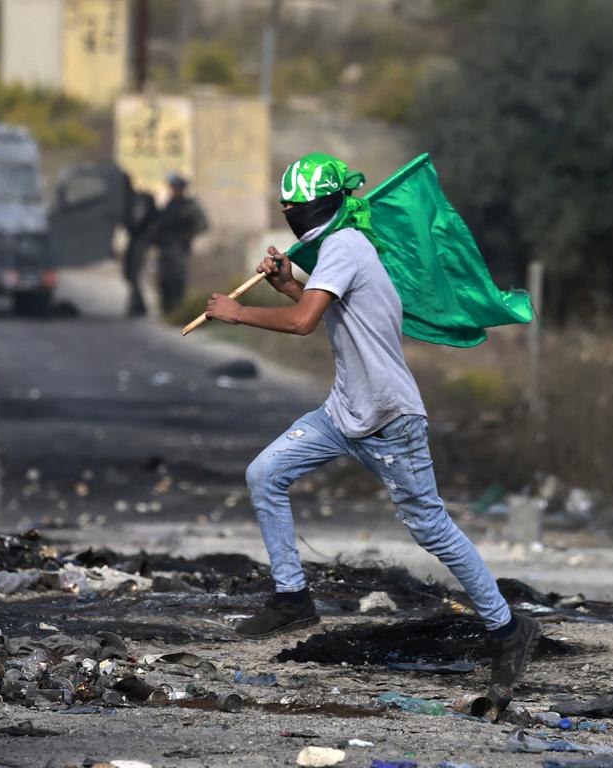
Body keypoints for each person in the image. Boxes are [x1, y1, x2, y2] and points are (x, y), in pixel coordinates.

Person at [204, 152, 540, 696]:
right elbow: (323, 310)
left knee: (431, 527)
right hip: (343, 412)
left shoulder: (345, 245)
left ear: (324, 205)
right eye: (285, 206)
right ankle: (292, 599)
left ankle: (507, 627)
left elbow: (302, 322)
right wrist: (289, 282)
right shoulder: (342, 248)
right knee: (265, 474)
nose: (291, 213)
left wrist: (236, 313)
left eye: (297, 206)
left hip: (388, 417)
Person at [149, 172, 208, 315]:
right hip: (165, 248)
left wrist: (186, 235)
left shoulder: (189, 205)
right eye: (172, 187)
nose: (173, 190)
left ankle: (178, 310)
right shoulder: (170, 204)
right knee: (164, 279)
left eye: (175, 187)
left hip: (179, 248)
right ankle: (166, 309)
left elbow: (203, 224)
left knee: (177, 280)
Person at [121, 188, 158, 317]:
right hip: (135, 239)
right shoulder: (131, 200)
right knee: (129, 273)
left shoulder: (141, 200)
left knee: (133, 273)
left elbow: (140, 221)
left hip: (141, 240)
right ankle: (138, 304)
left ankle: (138, 305)